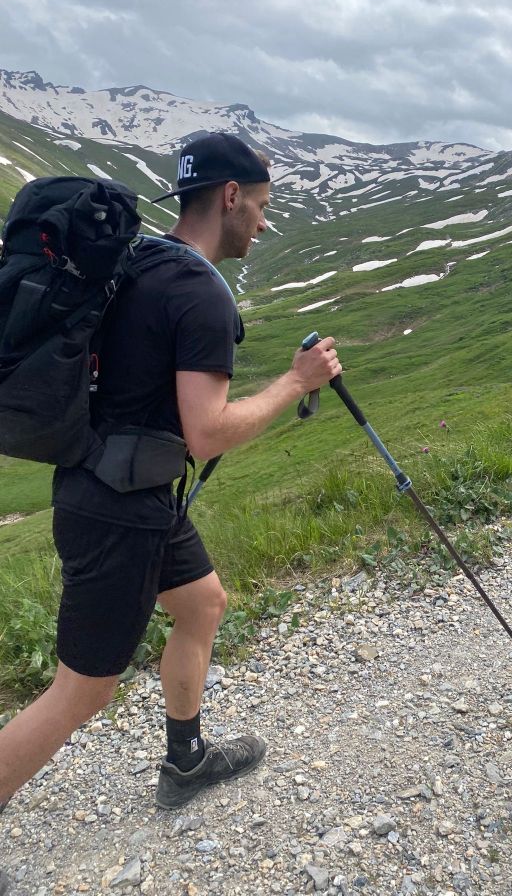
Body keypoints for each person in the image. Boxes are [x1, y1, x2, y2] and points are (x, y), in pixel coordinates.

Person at [0, 132, 341, 814]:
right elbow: (208, 433)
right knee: (83, 689)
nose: (264, 224)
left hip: (126, 490)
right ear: (231, 196)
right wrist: (295, 382)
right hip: (119, 510)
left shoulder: (142, 261)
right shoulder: (201, 294)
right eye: (262, 206)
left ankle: (185, 762)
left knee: (202, 604)